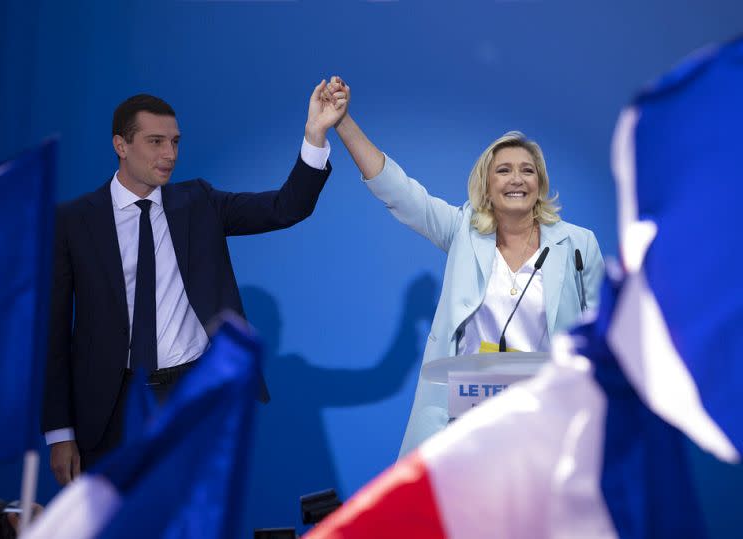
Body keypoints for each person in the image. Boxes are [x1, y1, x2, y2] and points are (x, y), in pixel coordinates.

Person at [43, 84, 347, 485]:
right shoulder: (72, 221)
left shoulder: (199, 202)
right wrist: (60, 432)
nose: (170, 154)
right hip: (109, 408)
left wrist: (315, 135)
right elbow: (53, 333)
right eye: (155, 142)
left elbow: (286, 207)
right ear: (121, 144)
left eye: (174, 142)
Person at [323, 77, 604, 456]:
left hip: (545, 421)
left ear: (540, 182)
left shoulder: (578, 245)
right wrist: (343, 123)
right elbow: (401, 193)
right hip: (467, 422)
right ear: (487, 185)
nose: (517, 179)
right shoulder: (463, 230)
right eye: (504, 170)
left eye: (527, 170)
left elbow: (600, 339)